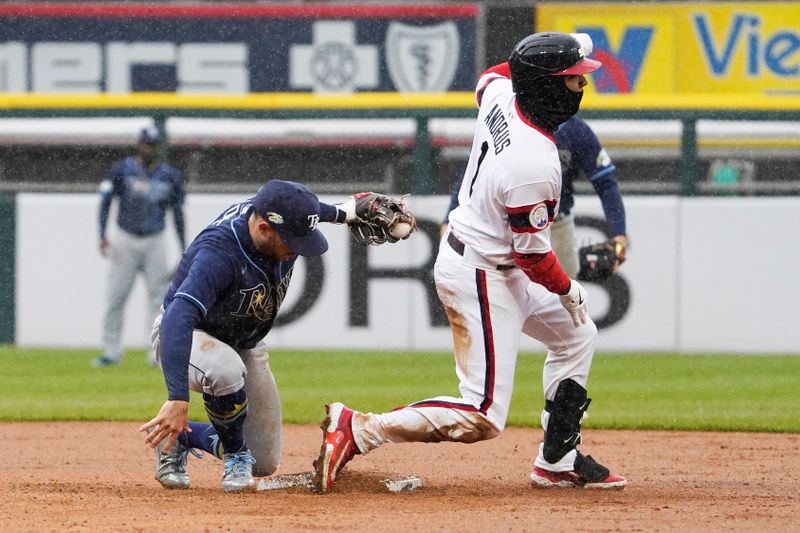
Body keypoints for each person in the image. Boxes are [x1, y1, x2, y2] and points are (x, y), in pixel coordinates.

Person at [313, 32, 627, 493]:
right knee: (482, 415)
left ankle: (557, 459)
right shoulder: (534, 163)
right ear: (545, 87)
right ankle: (359, 428)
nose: (582, 87)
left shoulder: (504, 93)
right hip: (483, 272)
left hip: (491, 257)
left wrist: (544, 51)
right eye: (573, 80)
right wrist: (567, 288)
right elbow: (533, 255)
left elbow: (490, 76)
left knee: (576, 334)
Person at [138, 180, 412, 492]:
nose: (297, 247)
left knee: (263, 462)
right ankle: (234, 456)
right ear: (265, 228)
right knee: (225, 369)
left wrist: (345, 213)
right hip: (185, 336)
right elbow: (179, 315)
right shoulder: (218, 252)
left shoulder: (278, 216)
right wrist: (177, 397)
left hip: (244, 341)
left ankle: (182, 438)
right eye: (292, 240)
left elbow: (313, 213)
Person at [443, 115, 628, 278]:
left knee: (566, 304)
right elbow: (473, 173)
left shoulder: (575, 130)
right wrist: (449, 216)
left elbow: (605, 183)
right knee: (509, 301)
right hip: (507, 226)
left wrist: (619, 232)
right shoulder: (506, 121)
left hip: (556, 225)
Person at [93, 126, 186, 367]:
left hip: (155, 237)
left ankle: (156, 353)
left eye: (153, 144)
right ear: (138, 144)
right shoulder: (122, 169)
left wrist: (183, 245)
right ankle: (111, 350)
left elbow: (177, 213)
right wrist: (102, 233)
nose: (149, 148)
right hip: (126, 236)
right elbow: (105, 201)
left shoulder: (170, 175)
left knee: (159, 298)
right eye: (146, 143)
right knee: (117, 294)